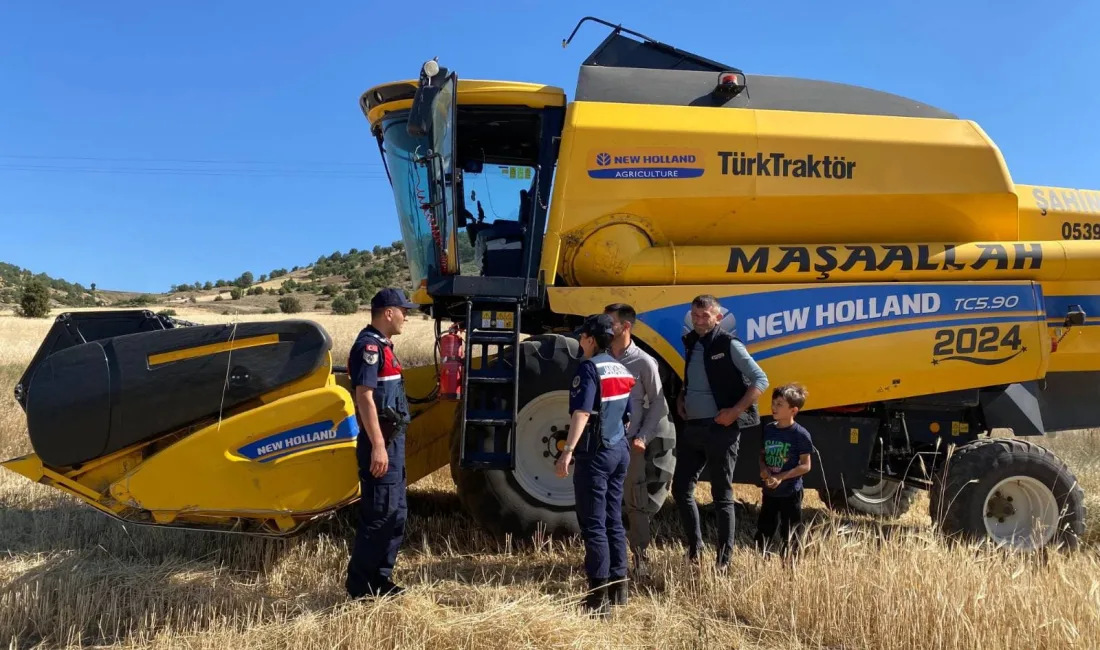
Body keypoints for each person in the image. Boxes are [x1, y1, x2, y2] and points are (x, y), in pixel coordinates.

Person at [673, 294, 769, 571]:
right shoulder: (691, 342)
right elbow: (694, 377)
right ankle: (695, 549)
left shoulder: (729, 343)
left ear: (717, 317)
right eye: (695, 315)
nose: (699, 320)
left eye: (705, 316)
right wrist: (682, 396)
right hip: (693, 427)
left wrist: (735, 412)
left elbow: (760, 379)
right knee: (681, 489)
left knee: (722, 496)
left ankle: (723, 561)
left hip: (720, 428)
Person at [555, 314, 635, 616]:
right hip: (619, 450)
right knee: (614, 519)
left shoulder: (589, 369)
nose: (579, 341)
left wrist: (568, 451)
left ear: (590, 338)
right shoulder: (621, 368)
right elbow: (628, 414)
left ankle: (598, 597)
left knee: (593, 523)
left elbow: (582, 414)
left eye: (581, 337)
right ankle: (620, 587)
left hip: (596, 454)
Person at [345, 287, 418, 599]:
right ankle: (360, 587)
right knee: (378, 515)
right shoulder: (368, 347)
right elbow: (364, 397)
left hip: (393, 441)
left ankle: (381, 579)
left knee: (395, 514)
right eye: (403, 311)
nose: (406, 316)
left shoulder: (385, 346)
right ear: (388, 312)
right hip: (382, 443)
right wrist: (377, 445)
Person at [603, 303, 676, 578]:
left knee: (635, 503)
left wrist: (643, 437)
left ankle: (641, 559)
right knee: (605, 501)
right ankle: (608, 559)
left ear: (626, 326)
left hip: (630, 443)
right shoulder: (601, 358)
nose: (606, 327)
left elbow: (658, 403)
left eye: (611, 322)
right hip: (603, 444)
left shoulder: (644, 362)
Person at [755, 383, 813, 556]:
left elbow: (806, 466)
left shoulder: (800, 435)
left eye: (780, 404)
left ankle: (790, 567)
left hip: (790, 493)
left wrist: (780, 477)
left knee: (790, 533)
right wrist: (763, 469)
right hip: (770, 492)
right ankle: (760, 561)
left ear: (793, 410)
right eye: (773, 403)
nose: (774, 407)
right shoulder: (769, 429)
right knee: (764, 530)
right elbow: (762, 455)